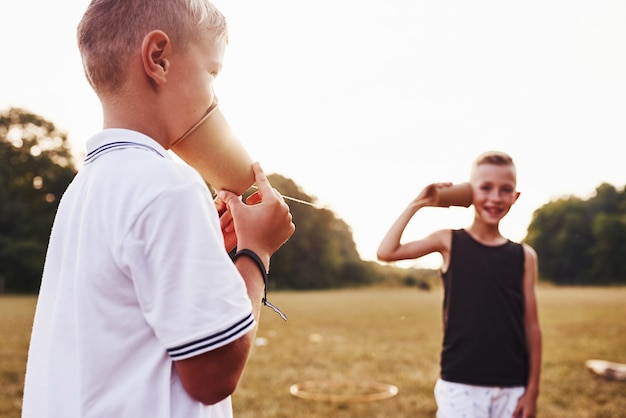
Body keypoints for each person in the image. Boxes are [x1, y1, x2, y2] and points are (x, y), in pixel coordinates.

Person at [22, 1, 295, 417]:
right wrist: (256, 252)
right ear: (158, 59)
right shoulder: (170, 186)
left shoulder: (85, 186)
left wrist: (212, 252)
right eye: (212, 72)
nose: (214, 95)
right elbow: (213, 374)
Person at [377, 151, 542, 418]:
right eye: (485, 188)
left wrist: (532, 391)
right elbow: (387, 252)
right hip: (461, 383)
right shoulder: (449, 241)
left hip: (512, 385)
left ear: (516, 196)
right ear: (468, 193)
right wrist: (418, 203)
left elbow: (532, 326)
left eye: (505, 190)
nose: (495, 198)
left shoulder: (525, 256)